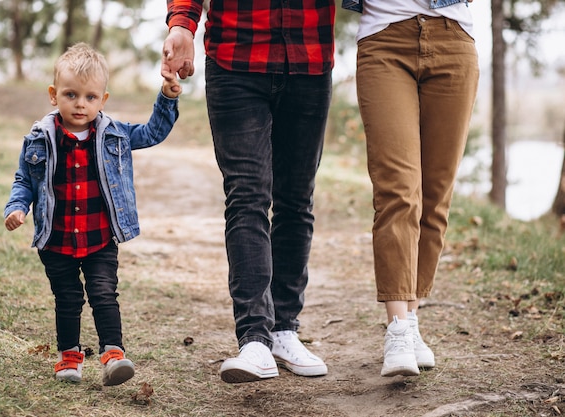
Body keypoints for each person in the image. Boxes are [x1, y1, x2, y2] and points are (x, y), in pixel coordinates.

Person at [161, 0, 334, 383]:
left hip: (309, 57)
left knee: (296, 200)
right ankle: (255, 338)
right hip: (235, 59)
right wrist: (182, 26)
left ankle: (284, 330)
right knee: (247, 196)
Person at [4, 42, 180, 385]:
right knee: (67, 298)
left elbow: (153, 132)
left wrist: (167, 97)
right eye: (71, 95)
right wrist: (17, 207)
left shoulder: (115, 133)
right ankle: (69, 356)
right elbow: (24, 179)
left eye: (90, 97)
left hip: (100, 236)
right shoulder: (40, 137)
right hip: (56, 239)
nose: (80, 104)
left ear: (103, 99)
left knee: (103, 293)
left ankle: (113, 354)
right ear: (54, 95)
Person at [352, 0, 479, 376]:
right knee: (399, 191)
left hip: (454, 38)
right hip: (384, 39)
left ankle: (411, 320)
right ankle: (397, 329)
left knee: (435, 197)